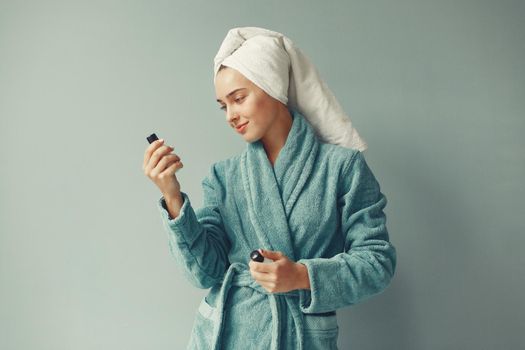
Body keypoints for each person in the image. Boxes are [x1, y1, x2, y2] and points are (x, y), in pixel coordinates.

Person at [143, 26, 397, 350]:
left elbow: (377, 262)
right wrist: (172, 196)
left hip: (299, 337)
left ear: (273, 88)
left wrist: (303, 276)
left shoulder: (342, 167)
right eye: (223, 105)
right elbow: (204, 273)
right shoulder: (224, 176)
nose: (231, 116)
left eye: (238, 99)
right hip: (225, 334)